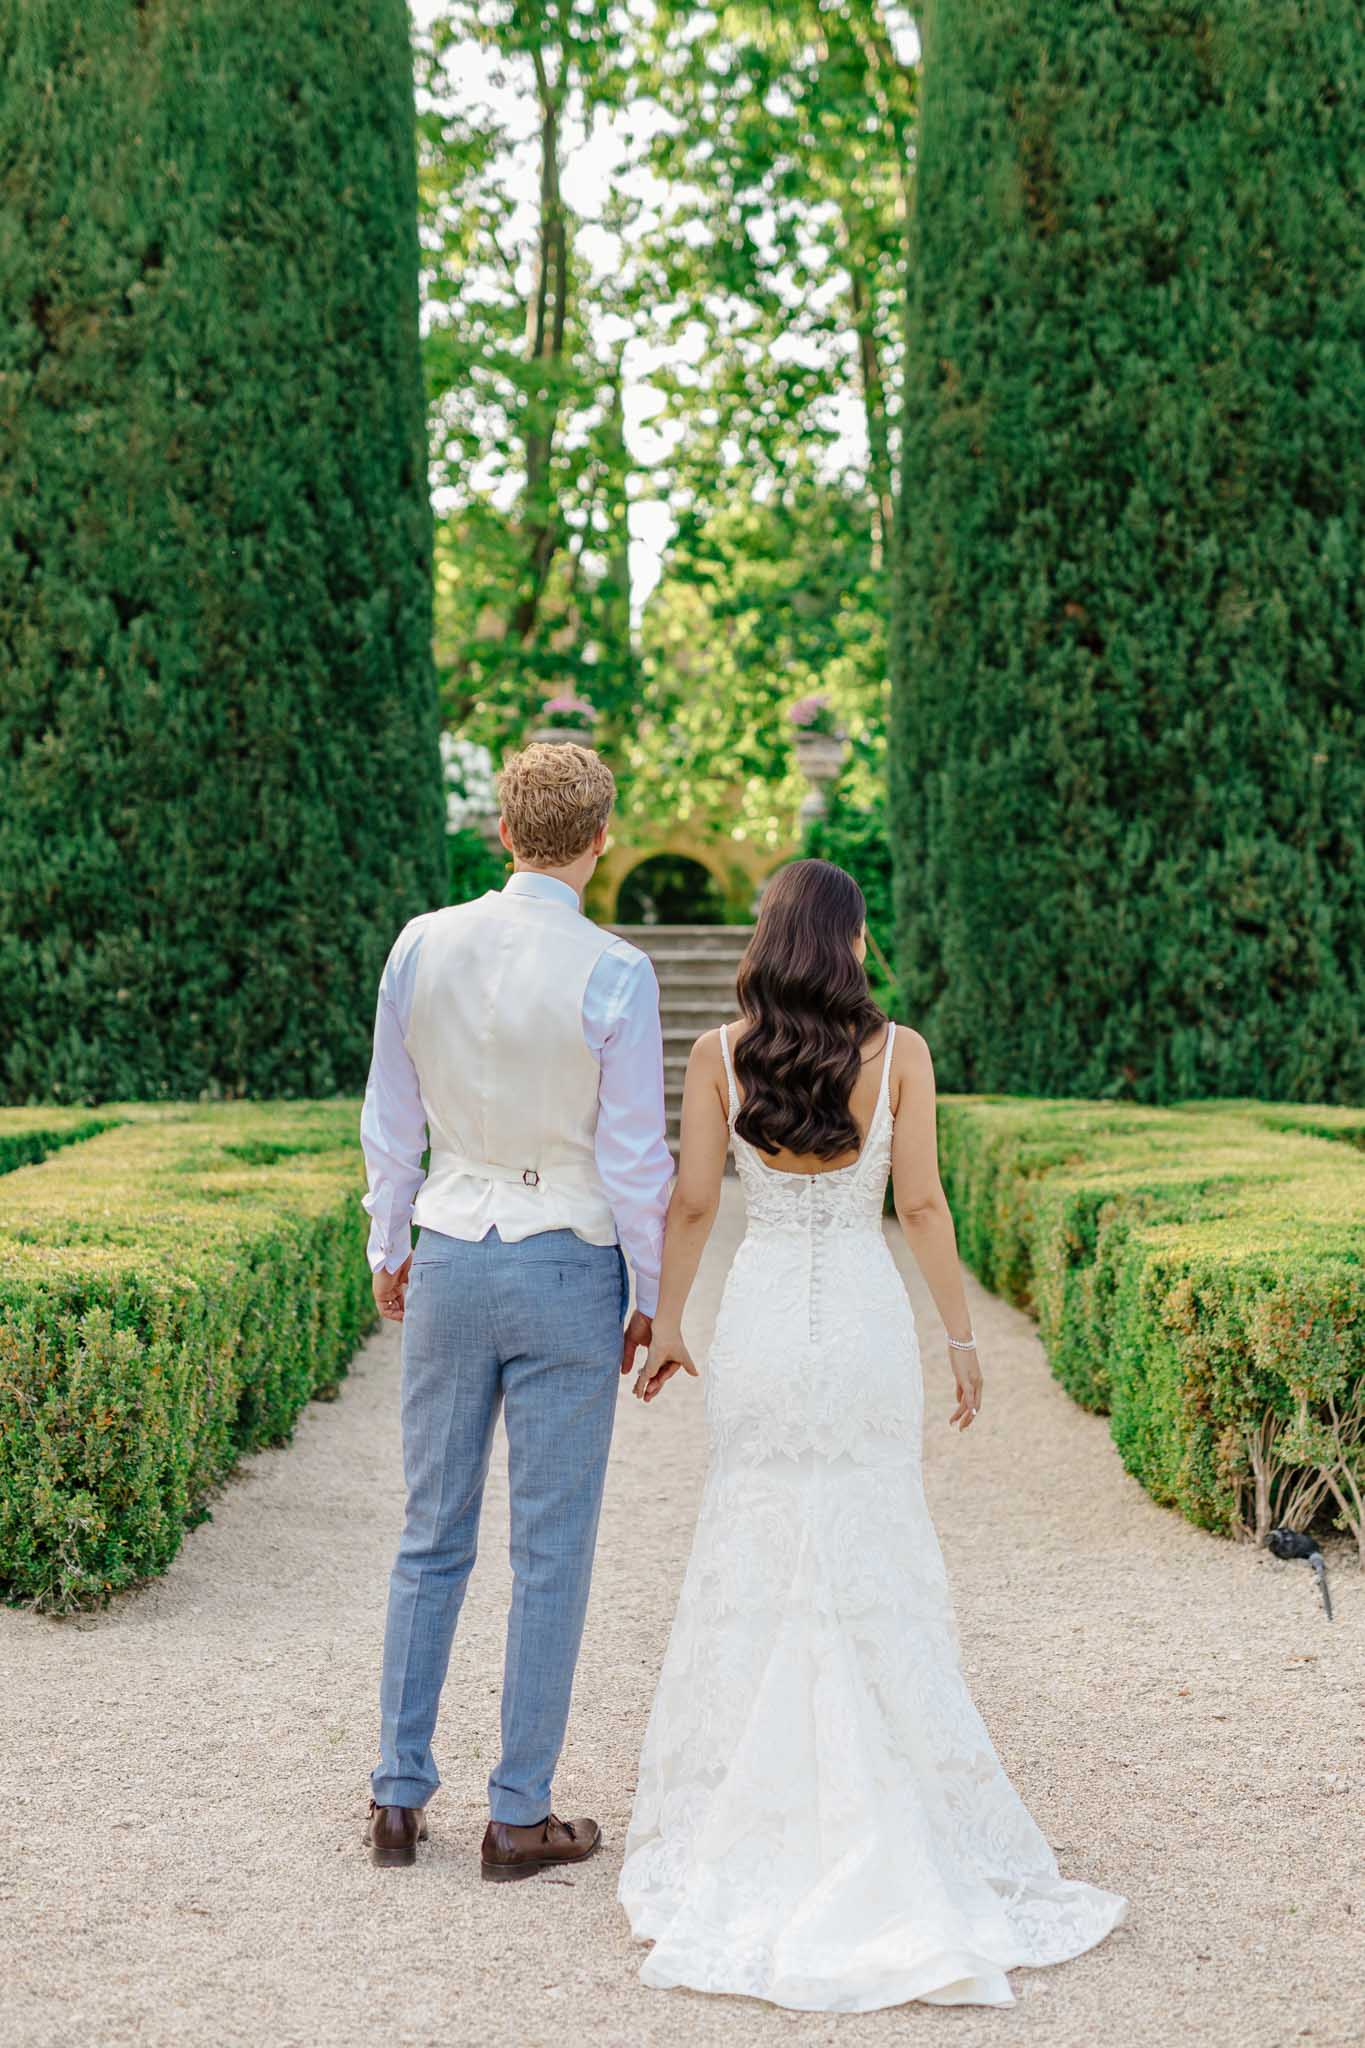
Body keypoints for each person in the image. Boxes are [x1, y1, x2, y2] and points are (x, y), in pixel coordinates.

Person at [618, 857, 1127, 2009]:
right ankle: (888, 1799)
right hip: (856, 1320)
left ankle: (749, 1813)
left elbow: (692, 1201)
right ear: (848, 940)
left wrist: (669, 1323)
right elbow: (924, 1205)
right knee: (871, 1539)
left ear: (765, 935)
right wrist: (958, 1336)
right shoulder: (899, 1053)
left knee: (753, 1532)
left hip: (755, 1322)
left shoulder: (717, 1054)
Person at [359, 742, 673, 1878]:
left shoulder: (419, 943)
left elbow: (390, 1118)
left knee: (429, 1528)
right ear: (601, 836)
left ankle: (397, 1797)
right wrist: (651, 1292)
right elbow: (637, 1153)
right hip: (564, 1260)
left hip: (450, 1243)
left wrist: (386, 1244)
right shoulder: (615, 969)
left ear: (504, 831)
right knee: (551, 1548)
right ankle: (517, 1811)